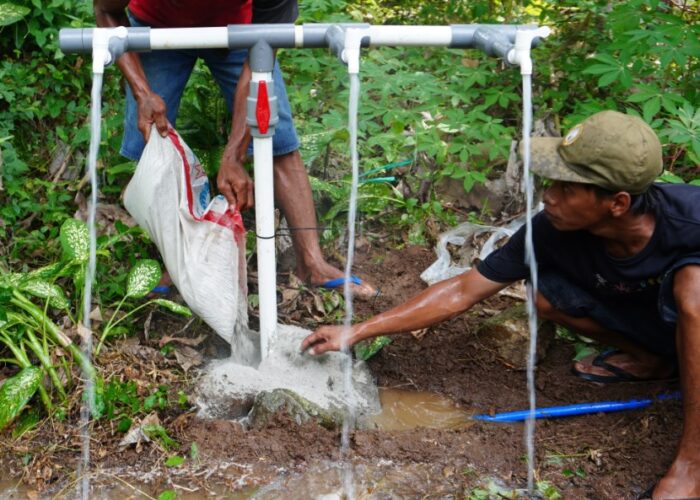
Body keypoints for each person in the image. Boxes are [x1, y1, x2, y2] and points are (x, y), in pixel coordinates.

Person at [301, 110, 700, 499]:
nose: (549, 196)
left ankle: (691, 468)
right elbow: (463, 290)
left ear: (617, 203)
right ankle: (653, 361)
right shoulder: (550, 232)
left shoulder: (691, 222)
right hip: (664, 332)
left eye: (567, 188)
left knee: (693, 287)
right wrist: (358, 330)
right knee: (545, 292)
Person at [94, 0, 376, 297]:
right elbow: (105, 11)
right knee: (149, 141)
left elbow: (259, 59)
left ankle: (312, 263)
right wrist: (143, 93)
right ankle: (179, 266)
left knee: (277, 140)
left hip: (242, 29)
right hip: (156, 26)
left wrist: (234, 154)